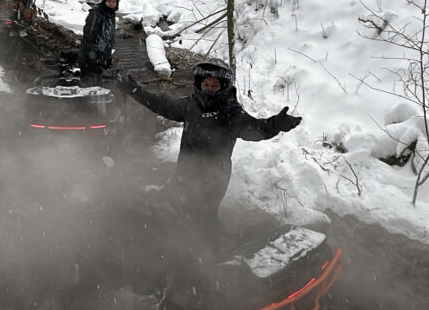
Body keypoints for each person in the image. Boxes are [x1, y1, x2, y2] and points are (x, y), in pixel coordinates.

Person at [124, 57, 301, 232]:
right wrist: (136, 91)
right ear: (199, 84)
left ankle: (215, 242)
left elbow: (256, 129)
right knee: (168, 213)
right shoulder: (191, 104)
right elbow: (163, 105)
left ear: (224, 87)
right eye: (206, 84)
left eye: (214, 85)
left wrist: (275, 124)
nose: (209, 89)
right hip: (185, 172)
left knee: (202, 219)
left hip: (213, 179)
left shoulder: (231, 112)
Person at [78, 0, 120, 79]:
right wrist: (92, 56)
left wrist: (108, 57)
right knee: (90, 84)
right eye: (109, 1)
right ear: (103, 1)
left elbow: (109, 37)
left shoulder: (111, 15)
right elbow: (88, 37)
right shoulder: (96, 14)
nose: (112, 4)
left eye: (114, 2)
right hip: (90, 59)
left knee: (100, 83)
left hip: (102, 59)